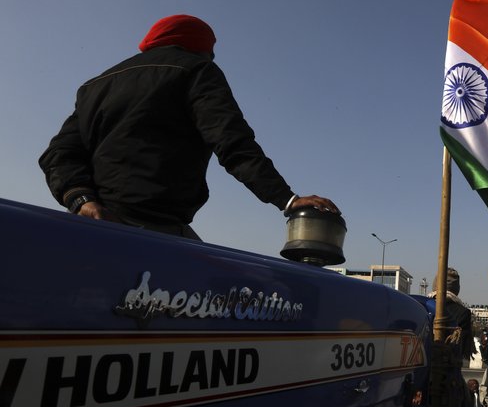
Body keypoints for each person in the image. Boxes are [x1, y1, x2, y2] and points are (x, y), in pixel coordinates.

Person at [39, 14, 338, 239]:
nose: (213, 57)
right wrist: (287, 199)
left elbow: (59, 152)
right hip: (156, 223)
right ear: (199, 47)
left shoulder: (94, 86)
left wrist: (81, 200)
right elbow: (232, 141)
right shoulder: (197, 70)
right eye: (211, 51)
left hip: (96, 220)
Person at [428, 267, 475, 407]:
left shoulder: (421, 305)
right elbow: (463, 350)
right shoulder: (463, 313)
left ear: (435, 285)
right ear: (457, 289)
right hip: (448, 382)